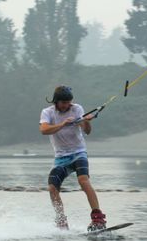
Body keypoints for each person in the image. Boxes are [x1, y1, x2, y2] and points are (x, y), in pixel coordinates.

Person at [39, 86, 107, 231]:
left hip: (78, 153)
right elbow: (44, 130)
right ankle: (61, 221)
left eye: (69, 102)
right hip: (61, 157)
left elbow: (87, 131)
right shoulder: (47, 112)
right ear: (56, 101)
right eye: (64, 103)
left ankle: (98, 218)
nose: (67, 105)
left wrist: (86, 121)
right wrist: (63, 123)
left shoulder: (77, 109)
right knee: (52, 188)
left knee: (83, 180)